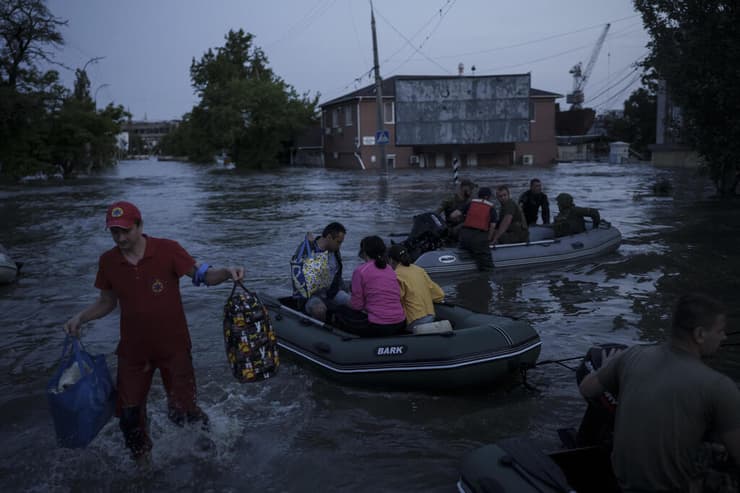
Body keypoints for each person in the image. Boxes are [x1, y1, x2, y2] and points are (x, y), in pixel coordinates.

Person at [63, 201, 244, 466]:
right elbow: (107, 302)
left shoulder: (167, 250)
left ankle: (212, 444)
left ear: (139, 226)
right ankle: (144, 468)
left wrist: (228, 272)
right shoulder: (108, 261)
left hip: (174, 348)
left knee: (182, 412)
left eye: (126, 231)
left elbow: (202, 276)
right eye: (115, 233)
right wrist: (81, 317)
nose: (121, 238)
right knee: (128, 417)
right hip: (133, 353)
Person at [579, 293, 740, 492]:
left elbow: (586, 388)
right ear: (700, 334)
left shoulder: (632, 355)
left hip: (624, 485)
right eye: (720, 330)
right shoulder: (719, 386)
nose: (724, 337)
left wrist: (610, 364)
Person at [348, 236, 407, 337]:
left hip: (379, 326)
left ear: (364, 252)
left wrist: (347, 303)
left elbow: (357, 306)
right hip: (400, 322)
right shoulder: (390, 269)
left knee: (339, 311)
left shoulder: (360, 271)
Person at [290, 222, 350, 322]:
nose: (340, 246)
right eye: (338, 242)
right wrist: (318, 253)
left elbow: (336, 275)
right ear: (329, 237)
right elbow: (299, 282)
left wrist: (347, 290)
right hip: (311, 296)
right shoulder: (307, 249)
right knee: (319, 310)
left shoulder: (334, 251)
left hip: (332, 292)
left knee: (354, 303)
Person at [387, 244, 445, 329]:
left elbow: (394, 302)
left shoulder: (396, 275)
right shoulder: (419, 270)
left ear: (391, 260)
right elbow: (439, 295)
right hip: (430, 317)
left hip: (414, 322)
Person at [459, 187, 498, 271]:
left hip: (464, 237)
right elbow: (493, 226)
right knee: (488, 268)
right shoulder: (491, 207)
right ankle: (484, 281)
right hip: (478, 238)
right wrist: (489, 240)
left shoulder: (470, 203)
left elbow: (454, 215)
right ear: (487, 197)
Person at [438, 177, 476, 242]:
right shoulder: (450, 200)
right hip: (452, 229)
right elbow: (437, 213)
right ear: (463, 188)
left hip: (464, 230)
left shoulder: (470, 202)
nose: (472, 191)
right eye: (470, 189)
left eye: (472, 189)